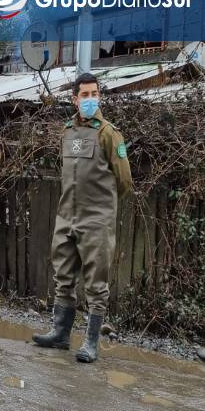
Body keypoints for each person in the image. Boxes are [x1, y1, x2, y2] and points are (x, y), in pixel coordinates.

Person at [33, 72, 132, 363]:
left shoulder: (109, 134)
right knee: (63, 276)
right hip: (67, 217)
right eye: (85, 95)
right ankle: (61, 334)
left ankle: (90, 343)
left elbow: (124, 181)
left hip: (96, 221)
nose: (91, 99)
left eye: (95, 94)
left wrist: (103, 210)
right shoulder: (67, 132)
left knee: (95, 284)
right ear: (74, 99)